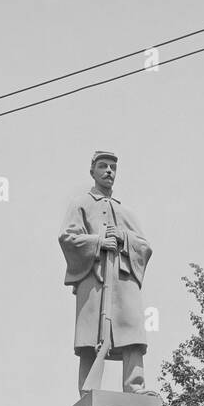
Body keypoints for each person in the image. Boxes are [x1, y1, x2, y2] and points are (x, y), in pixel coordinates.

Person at [59, 150, 152, 393]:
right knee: (91, 339)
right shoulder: (80, 204)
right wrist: (99, 242)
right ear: (93, 171)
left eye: (112, 167)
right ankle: (88, 393)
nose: (109, 171)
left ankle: (135, 388)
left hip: (123, 280)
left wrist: (122, 238)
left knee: (133, 331)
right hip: (94, 278)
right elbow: (68, 238)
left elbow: (144, 247)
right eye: (103, 166)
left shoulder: (126, 212)